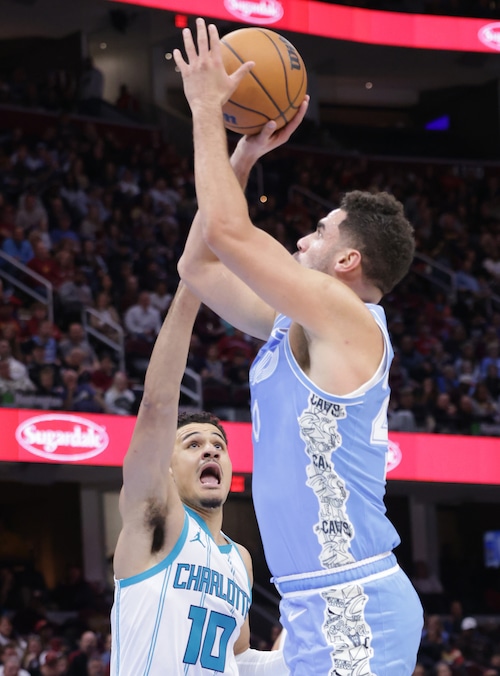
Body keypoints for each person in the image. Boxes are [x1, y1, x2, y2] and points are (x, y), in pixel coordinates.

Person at [175, 18, 423, 675]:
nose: (302, 239)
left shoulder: (349, 318)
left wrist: (206, 108)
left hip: (357, 605)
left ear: (347, 259)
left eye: (318, 231)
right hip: (313, 607)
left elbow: (229, 232)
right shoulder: (298, 324)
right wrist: (243, 156)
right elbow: (199, 266)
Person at [110, 281, 287, 675]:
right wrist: (192, 285)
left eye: (218, 446)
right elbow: (156, 404)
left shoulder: (240, 559)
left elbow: (239, 661)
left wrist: (300, 652)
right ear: (166, 468)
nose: (210, 450)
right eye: (192, 445)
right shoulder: (156, 523)